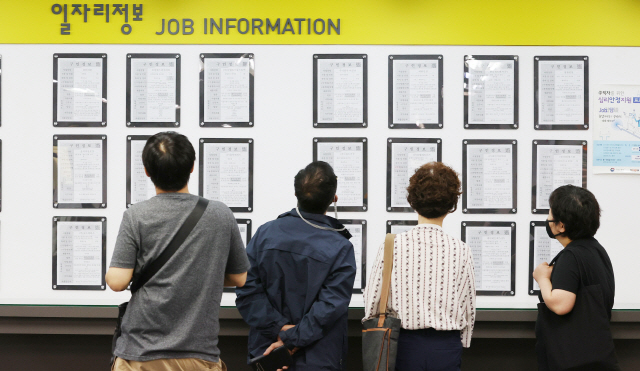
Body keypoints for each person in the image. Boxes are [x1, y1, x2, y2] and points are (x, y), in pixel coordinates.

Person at [106, 132, 250, 371]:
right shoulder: (220, 213)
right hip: (199, 354)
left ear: (147, 171)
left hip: (141, 354)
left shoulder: (137, 215)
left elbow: (117, 281)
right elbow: (239, 277)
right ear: (192, 167)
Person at [236, 161, 356, 371]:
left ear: (296, 194)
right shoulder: (341, 247)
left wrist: (281, 330)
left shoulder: (265, 234)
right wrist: (290, 339)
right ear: (333, 199)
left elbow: (247, 291)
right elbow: (329, 308)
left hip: (268, 355)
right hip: (318, 360)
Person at [363, 162, 476, 371]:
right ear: (452, 204)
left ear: (413, 201)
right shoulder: (461, 249)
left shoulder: (391, 245)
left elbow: (373, 301)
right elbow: (468, 306)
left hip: (400, 344)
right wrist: (462, 342)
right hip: (446, 347)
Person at [533, 185, 618, 370]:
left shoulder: (571, 257)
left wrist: (542, 278)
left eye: (550, 214)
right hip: (596, 357)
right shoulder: (596, 250)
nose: (547, 219)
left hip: (573, 361)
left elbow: (560, 304)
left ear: (561, 225)